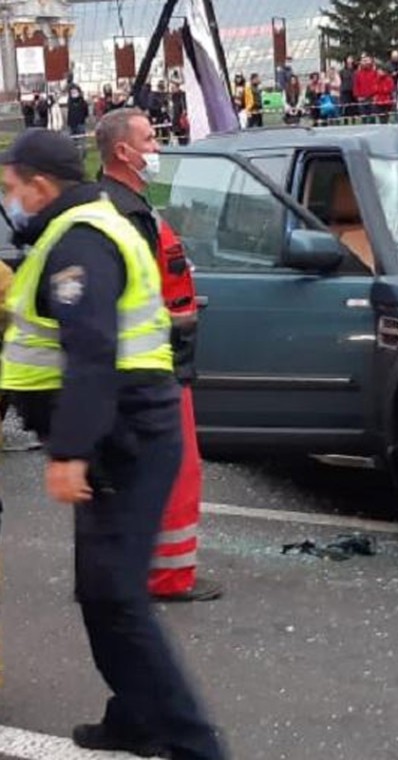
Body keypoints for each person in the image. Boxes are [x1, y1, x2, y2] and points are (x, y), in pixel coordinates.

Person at [0, 128, 228, 758]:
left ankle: (192, 745)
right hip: (120, 434)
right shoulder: (74, 229)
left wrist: (70, 451)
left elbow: (92, 352)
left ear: (41, 185)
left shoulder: (80, 243)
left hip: (121, 437)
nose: (10, 199)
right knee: (103, 592)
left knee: (118, 600)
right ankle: (132, 717)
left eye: (12, 187)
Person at [95, 108, 224, 604]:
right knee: (174, 472)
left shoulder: (129, 206)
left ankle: (125, 571)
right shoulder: (124, 215)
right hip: (155, 371)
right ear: (124, 152)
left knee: (132, 474)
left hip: (146, 368)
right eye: (150, 140)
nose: (158, 149)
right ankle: (168, 577)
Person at [353, 54, 380, 124]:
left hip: (372, 97)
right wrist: (358, 96)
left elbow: (377, 83)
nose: (365, 62)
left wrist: (376, 94)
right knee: (363, 117)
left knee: (372, 116)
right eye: (364, 61)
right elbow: (356, 85)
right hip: (362, 97)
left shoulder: (374, 72)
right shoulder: (358, 73)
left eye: (367, 60)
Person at [65, 85, 89, 158]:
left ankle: (82, 155)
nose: (73, 93)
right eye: (72, 92)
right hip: (71, 124)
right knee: (72, 142)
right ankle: (74, 155)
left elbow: (86, 113)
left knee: (81, 141)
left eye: (75, 92)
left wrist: (82, 119)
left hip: (80, 124)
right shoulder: (69, 102)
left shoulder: (83, 102)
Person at [340, 55, 359, 124]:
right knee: (346, 107)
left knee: (354, 107)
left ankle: (354, 121)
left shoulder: (356, 70)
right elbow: (341, 79)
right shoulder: (342, 71)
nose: (350, 61)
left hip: (354, 91)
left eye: (351, 59)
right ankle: (346, 122)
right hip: (345, 91)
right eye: (348, 59)